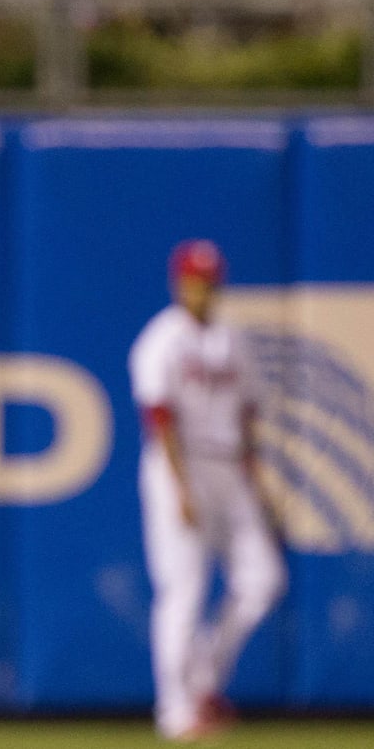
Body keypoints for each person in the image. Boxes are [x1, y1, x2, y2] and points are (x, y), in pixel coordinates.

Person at [128, 239, 287, 743]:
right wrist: (180, 489)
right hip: (180, 465)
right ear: (180, 283)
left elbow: (247, 419)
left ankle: (203, 681)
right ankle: (174, 710)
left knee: (263, 581)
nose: (202, 289)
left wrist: (260, 488)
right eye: (195, 281)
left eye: (209, 280)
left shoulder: (232, 339)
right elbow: (159, 419)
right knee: (184, 589)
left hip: (230, 468)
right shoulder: (161, 339)